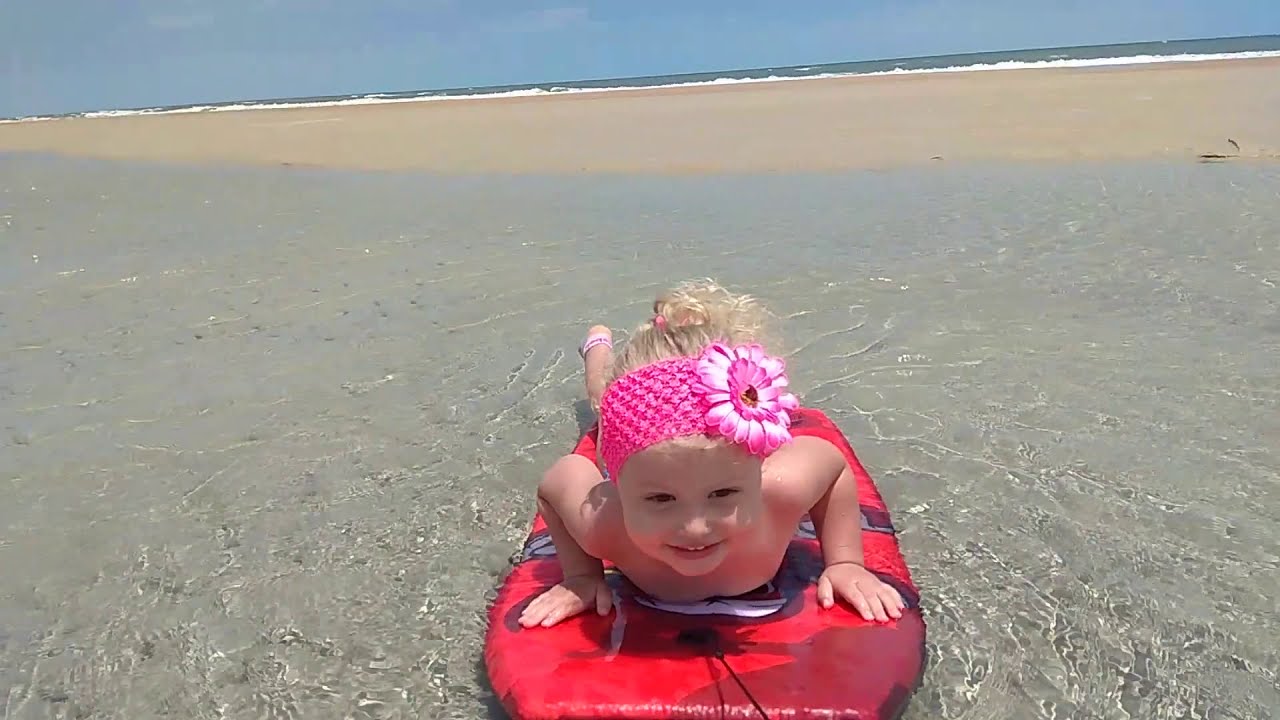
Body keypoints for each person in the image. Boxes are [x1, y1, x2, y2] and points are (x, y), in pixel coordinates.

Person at [518, 279, 906, 629]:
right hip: (631, 433)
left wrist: (844, 562)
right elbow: (557, 482)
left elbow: (833, 467)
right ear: (617, 486)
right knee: (602, 398)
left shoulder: (782, 489)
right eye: (660, 498)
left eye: (722, 494)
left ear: (761, 466)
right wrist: (583, 576)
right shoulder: (604, 524)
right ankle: (597, 350)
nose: (695, 528)